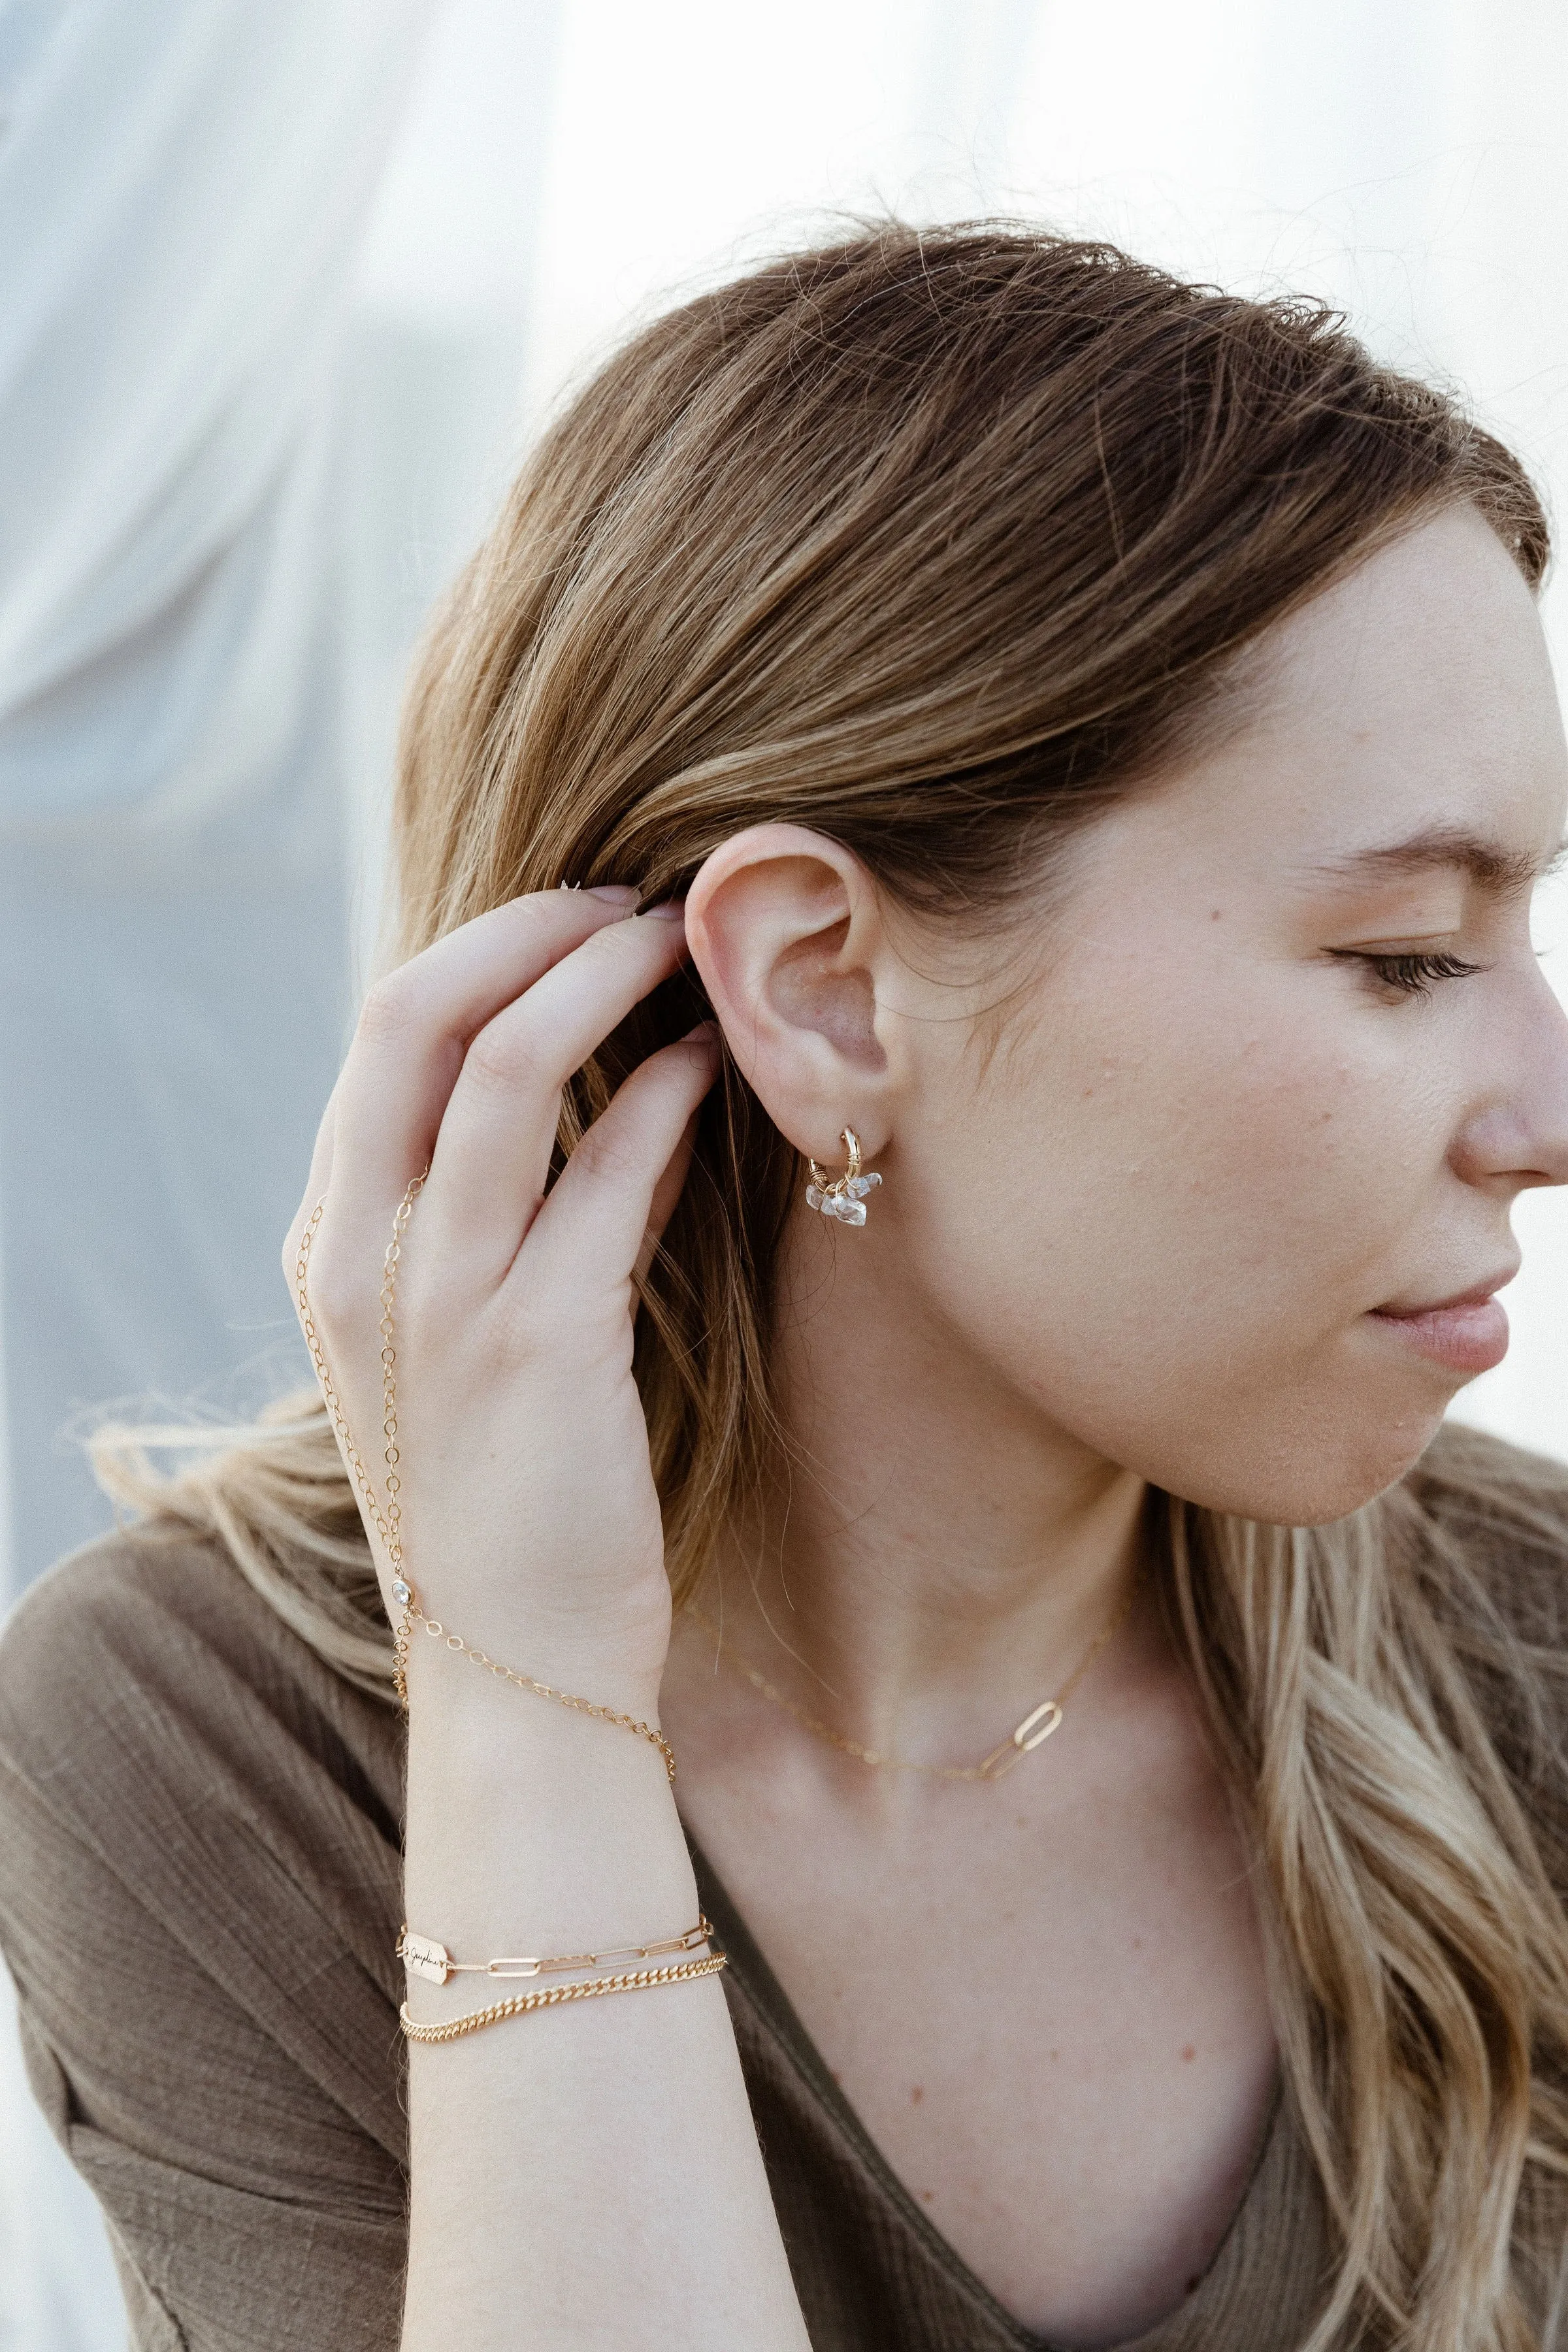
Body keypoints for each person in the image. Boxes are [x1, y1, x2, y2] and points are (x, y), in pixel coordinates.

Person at [5, 221, 1568, 2352]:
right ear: (825, 991)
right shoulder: (218, 1741)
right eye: (1406, 956)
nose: (1544, 1110)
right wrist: (529, 1712)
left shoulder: (1525, 1663)